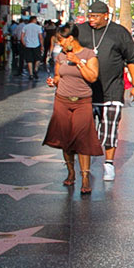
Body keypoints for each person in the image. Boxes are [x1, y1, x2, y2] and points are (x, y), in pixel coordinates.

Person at [80, 0, 134, 181]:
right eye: (90, 15)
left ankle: (108, 164)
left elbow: (131, 60)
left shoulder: (119, 32)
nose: (91, 19)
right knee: (86, 131)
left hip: (112, 90)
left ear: (106, 16)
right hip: (86, 92)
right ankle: (85, 166)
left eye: (95, 16)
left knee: (110, 129)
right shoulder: (81, 31)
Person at [42, 23, 104, 193]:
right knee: (65, 139)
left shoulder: (89, 54)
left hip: (82, 102)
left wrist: (78, 62)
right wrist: (53, 81)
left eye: (61, 40)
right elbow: (58, 75)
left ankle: (85, 177)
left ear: (71, 38)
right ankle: (71, 173)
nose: (59, 44)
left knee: (83, 139)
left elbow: (92, 77)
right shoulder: (61, 56)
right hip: (62, 100)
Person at [16, 13, 45, 81]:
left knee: (29, 60)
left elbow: (22, 36)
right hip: (36, 45)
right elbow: (40, 37)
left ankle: (31, 74)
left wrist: (24, 44)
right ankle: (35, 69)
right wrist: (42, 45)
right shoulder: (38, 27)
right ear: (34, 20)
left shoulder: (25, 27)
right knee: (38, 59)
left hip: (28, 45)